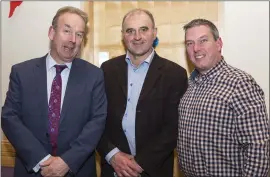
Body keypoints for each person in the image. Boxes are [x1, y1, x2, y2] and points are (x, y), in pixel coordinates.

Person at [1, 6, 107, 177]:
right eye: (67, 31)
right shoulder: (22, 72)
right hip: (32, 169)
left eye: (79, 34)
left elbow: (97, 121)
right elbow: (9, 117)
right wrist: (41, 159)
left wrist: (67, 162)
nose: (73, 39)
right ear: (52, 33)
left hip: (76, 170)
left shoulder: (94, 75)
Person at [97, 8, 188, 177]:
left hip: (154, 170)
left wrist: (139, 164)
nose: (137, 37)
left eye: (143, 30)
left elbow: (173, 128)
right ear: (123, 35)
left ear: (154, 33)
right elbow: (96, 119)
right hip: (113, 169)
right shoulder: (107, 70)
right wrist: (112, 155)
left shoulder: (175, 74)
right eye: (130, 31)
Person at [177, 18, 270, 176]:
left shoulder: (240, 84)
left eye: (203, 40)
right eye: (189, 43)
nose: (196, 48)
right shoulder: (189, 84)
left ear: (219, 44)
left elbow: (258, 148)